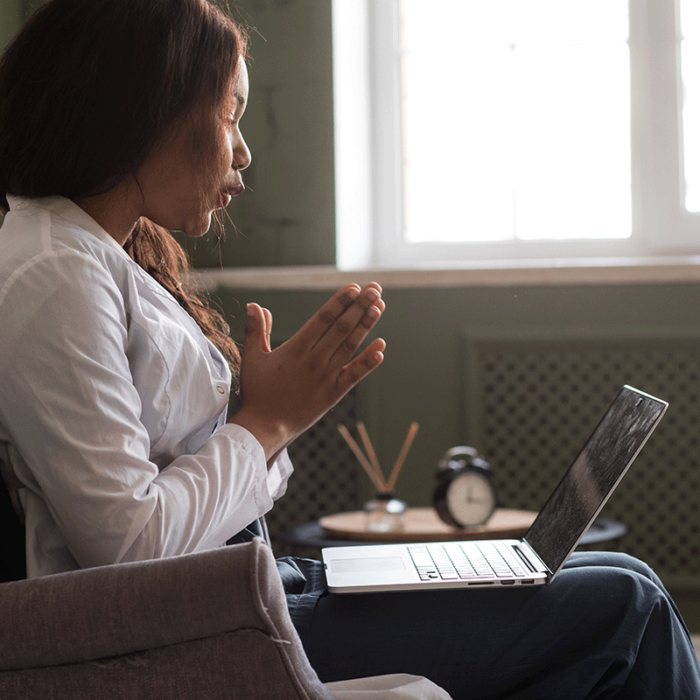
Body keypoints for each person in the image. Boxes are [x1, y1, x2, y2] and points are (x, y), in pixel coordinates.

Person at [0, 1, 698, 698]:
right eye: (229, 115)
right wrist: (267, 423)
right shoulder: (54, 270)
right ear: (145, 109)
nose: (243, 151)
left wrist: (262, 426)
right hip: (170, 636)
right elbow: (129, 550)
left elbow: (203, 488)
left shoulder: (96, 255)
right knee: (626, 613)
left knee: (629, 578)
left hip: (238, 592)